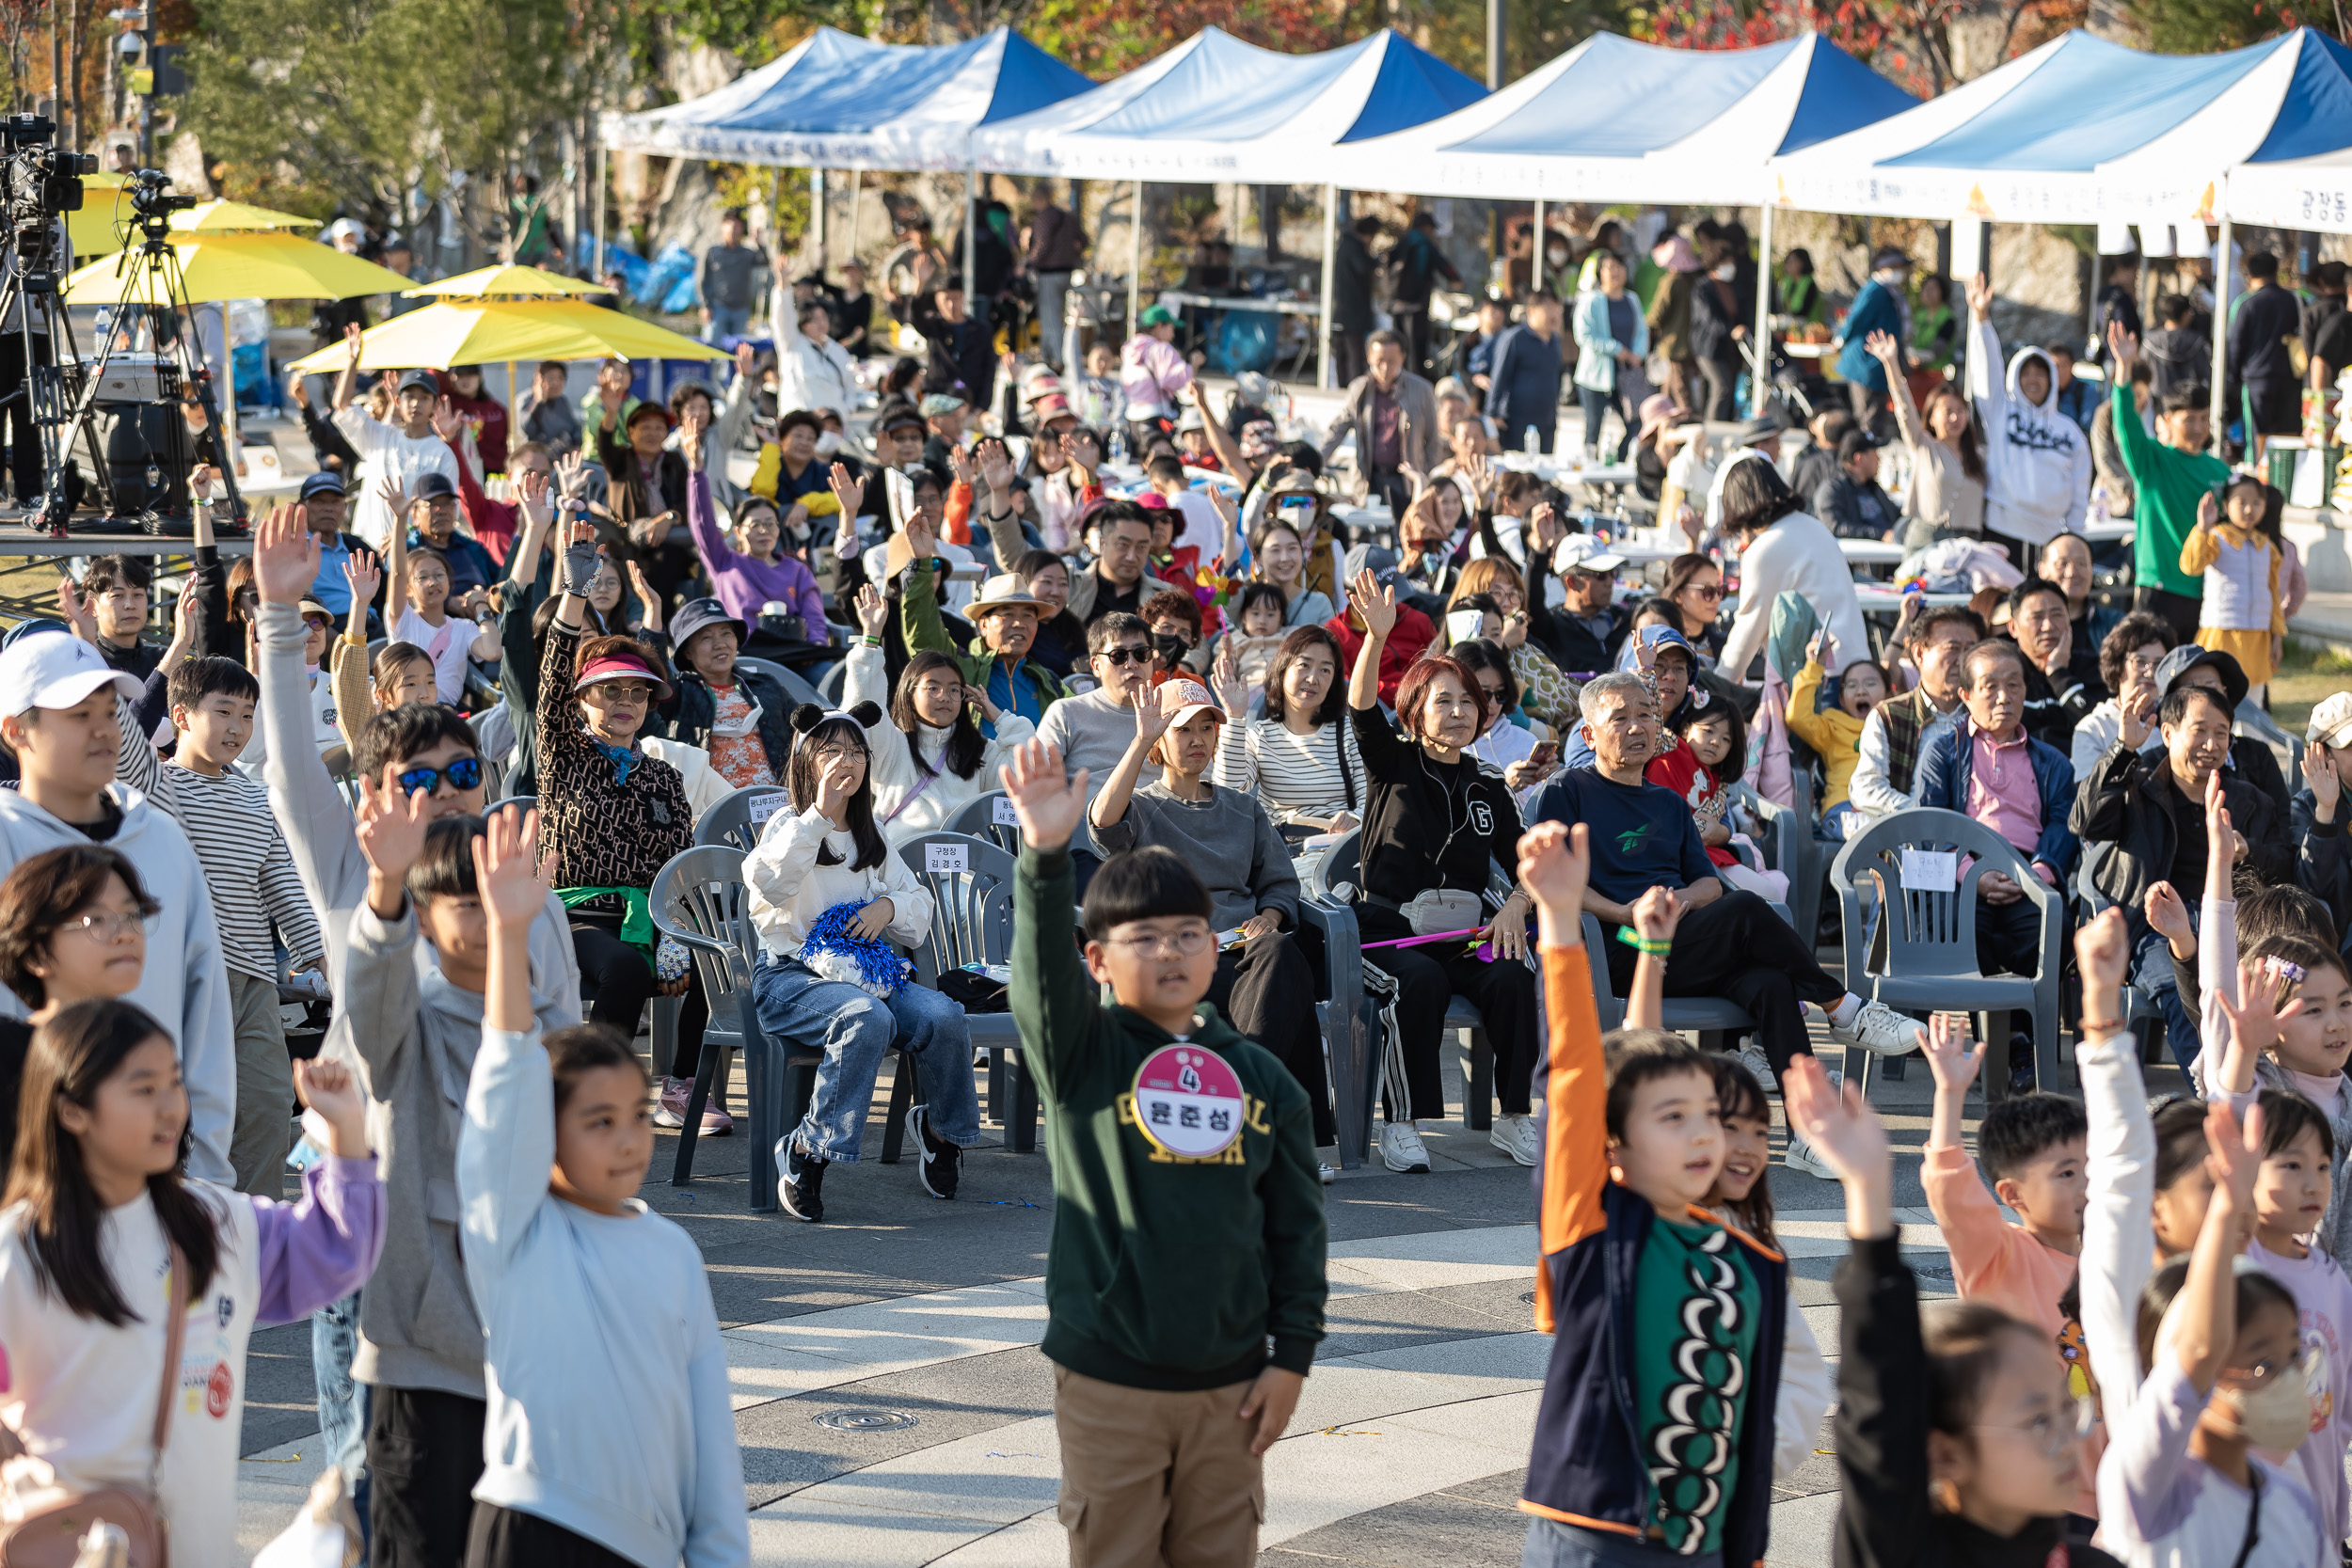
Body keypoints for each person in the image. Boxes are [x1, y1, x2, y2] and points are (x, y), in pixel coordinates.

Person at [994, 738, 1323, 1566]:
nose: (1172, 950)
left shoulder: (1263, 1082)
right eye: (1146, 937)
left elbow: (1296, 1229)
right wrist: (1042, 859)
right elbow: (1038, 984)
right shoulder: (1085, 1057)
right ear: (1099, 959)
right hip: (1111, 1381)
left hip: (1234, 1385)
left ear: (1218, 948)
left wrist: (1293, 1358)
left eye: (1189, 933)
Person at [457, 809, 750, 1567]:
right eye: (597, 1120)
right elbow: (501, 1086)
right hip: (529, 1526)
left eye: (635, 1115)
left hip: (648, 1546)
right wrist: (512, 934)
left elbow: (709, 1434)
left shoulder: (672, 1250)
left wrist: (719, 1552)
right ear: (542, 1131)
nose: (627, 1139)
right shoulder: (514, 1226)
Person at [0, 1001, 384, 1565]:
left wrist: (348, 1132)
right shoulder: (20, 1247)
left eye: (174, 1085)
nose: (170, 1109)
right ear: (72, 1111)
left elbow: (334, 1253)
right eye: (142, 1089)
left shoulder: (216, 1221)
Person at [1513, 820, 1788, 1566]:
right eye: (1674, 1120)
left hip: (1704, 1545)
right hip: (1598, 1534)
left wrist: (1748, 1549)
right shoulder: (1597, 1231)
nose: (1704, 1135)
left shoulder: (1750, 1258)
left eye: (1709, 1115)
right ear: (1612, 1149)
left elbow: (1749, 1432)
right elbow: (1580, 1075)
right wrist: (1561, 920)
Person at [1529, 671, 1921, 1132]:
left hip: (1683, 942)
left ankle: (1809, 1131)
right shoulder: (1566, 791)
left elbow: (1708, 884)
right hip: (1617, 945)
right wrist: (1628, 913)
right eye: (1620, 718)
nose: (1637, 727)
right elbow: (1556, 884)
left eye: (1645, 716)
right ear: (1589, 733)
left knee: (1772, 983)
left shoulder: (1669, 804)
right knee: (1750, 907)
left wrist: (1680, 903)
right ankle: (1840, 1006)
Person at [1780, 1055, 2126, 1568]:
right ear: (1945, 1453)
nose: (2061, 1435)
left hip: (2111, 1500)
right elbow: (1880, 1410)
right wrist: (1871, 1184)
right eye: (2035, 1418)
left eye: (2060, 1411)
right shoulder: (2003, 1257)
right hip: (2073, 1504)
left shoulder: (2113, 1262)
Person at [0, 630, 236, 1183]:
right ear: (15, 731)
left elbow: (205, 1013)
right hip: (29, 1176)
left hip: (158, 1171)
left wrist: (204, 1176)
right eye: (79, 715)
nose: (105, 729)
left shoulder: (164, 840)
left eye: (110, 709)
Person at [746, 707, 981, 1221]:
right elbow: (771, 885)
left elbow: (918, 910)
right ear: (808, 761)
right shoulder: (788, 825)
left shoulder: (872, 835)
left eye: (856, 751)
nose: (845, 761)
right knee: (865, 1017)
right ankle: (807, 1149)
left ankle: (940, 1131)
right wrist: (819, 813)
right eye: (831, 750)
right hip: (791, 978)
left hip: (865, 973)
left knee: (945, 1015)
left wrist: (888, 908)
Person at [103, 654, 326, 1196]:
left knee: (269, 1104)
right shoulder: (158, 788)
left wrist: (320, 956)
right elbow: (126, 742)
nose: (238, 728)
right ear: (181, 717)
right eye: (224, 711)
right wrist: (168, 644)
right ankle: (186, 1228)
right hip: (182, 977)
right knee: (189, 1115)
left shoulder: (255, 795)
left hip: (253, 980)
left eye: (248, 715)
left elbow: (282, 884)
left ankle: (253, 1229)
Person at [1089, 677, 1335, 1160]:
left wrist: (1269, 915)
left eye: (1208, 727)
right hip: (1174, 957)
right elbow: (1102, 825)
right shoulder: (1142, 807)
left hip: (1245, 953)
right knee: (1289, 988)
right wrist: (1139, 741)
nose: (1199, 739)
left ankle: (1238, 1099)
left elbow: (1281, 884)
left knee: (1284, 955)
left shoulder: (1243, 808)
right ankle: (1269, 1123)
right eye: (1183, 730)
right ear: (1160, 739)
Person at [1342, 573, 1539, 1171]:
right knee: (1418, 982)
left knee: (1509, 977)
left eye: (1468, 703)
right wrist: (1375, 638)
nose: (1458, 712)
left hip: (1465, 937)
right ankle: (1401, 1123)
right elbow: (1359, 712)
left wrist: (1515, 905)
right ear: (1416, 712)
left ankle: (1513, 1116)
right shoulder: (1394, 762)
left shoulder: (1487, 786)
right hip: (1387, 931)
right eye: (1443, 701)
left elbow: (1531, 863)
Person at [535, 529, 713, 1134]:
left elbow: (681, 861)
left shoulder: (663, 775)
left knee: (718, 962)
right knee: (627, 972)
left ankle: (683, 1087)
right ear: (584, 701)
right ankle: (592, 1094)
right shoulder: (564, 753)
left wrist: (679, 926)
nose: (625, 703)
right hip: (573, 914)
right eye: (610, 691)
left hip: (650, 917)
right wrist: (573, 593)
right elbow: (551, 686)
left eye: (636, 693)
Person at [2073, 680, 2292, 1072]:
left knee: (2270, 986)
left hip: (2234, 925)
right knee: (2181, 990)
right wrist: (2123, 749)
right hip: (2154, 928)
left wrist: (2246, 852)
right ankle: (2215, 1097)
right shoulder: (2137, 786)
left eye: (2221, 733)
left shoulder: (2250, 800)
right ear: (2169, 733)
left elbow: (2283, 864)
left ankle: (2272, 1094)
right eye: (2200, 731)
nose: (2211, 744)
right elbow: (2086, 821)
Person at [1913, 641, 2080, 1085]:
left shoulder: (2052, 763)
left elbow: (2063, 825)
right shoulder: (1943, 753)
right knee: (1966, 935)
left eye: (2013, 685)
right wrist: (1975, 875)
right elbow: (1929, 827)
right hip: (1964, 876)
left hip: (2030, 873)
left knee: (2053, 929)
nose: (2004, 697)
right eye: (1990, 687)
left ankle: (2017, 1040)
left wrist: (2036, 876)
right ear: (1965, 695)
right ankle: (2014, 1046)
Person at [846, 587, 1035, 844]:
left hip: (972, 873)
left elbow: (1025, 774)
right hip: (904, 872)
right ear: (910, 694)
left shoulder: (979, 751)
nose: (944, 696)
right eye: (932, 688)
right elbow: (862, 711)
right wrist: (870, 639)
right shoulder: (892, 745)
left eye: (954, 689)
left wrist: (1001, 718)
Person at [2107, 320, 2229, 643]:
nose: (2198, 427)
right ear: (2167, 421)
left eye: (2204, 419)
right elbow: (2126, 424)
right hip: (2159, 586)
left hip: (2205, 590)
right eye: (2189, 419)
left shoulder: (2221, 471)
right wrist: (2124, 367)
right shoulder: (2152, 460)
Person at [1963, 275, 2090, 561]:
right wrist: (1981, 318)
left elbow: (2081, 488)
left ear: (2052, 379)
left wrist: (2075, 537)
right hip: (2001, 529)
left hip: (2052, 540)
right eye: (2026, 373)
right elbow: (1986, 370)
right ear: (2014, 377)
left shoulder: (2069, 431)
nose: (2033, 380)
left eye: (2040, 373)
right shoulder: (2000, 412)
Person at [1711, 459, 1868, 687]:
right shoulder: (1814, 526)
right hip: (1856, 664)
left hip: (1817, 677)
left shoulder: (1766, 548)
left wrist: (1714, 688)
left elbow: (1747, 630)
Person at [679, 421, 831, 650]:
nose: (763, 530)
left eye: (770, 524)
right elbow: (703, 524)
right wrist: (697, 471)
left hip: (793, 656)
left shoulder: (798, 571)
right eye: (755, 524)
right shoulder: (725, 563)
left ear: (778, 530)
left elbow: (815, 620)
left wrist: (817, 649)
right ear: (738, 532)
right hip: (743, 658)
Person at [1211, 626, 1363, 837]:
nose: (1312, 679)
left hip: (1338, 852)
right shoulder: (1259, 737)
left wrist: (1355, 820)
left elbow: (1373, 798)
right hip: (1281, 853)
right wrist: (1234, 718)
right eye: (1304, 665)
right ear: (1282, 668)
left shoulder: (1349, 733)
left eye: (1325, 670)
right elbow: (1229, 793)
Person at [1850, 604, 1986, 821]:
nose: (1962, 660)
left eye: (1970, 649)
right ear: (1919, 653)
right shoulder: (1888, 716)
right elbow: (1866, 788)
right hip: (1904, 840)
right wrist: (1921, 814)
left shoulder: (1985, 718)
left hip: (1973, 843)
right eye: (1952, 648)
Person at [1866, 326, 1988, 551]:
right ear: (1931, 418)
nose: (1955, 417)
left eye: (1960, 411)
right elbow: (1904, 408)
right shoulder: (1924, 446)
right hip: (1927, 537)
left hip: (1967, 543)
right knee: (1914, 587)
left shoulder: (1980, 456)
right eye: (1947, 411)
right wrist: (1890, 363)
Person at [382, 483, 498, 707]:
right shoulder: (402, 619)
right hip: (410, 715)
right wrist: (400, 519)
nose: (433, 582)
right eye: (422, 577)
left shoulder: (464, 628)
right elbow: (397, 573)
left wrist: (481, 608)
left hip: (446, 716)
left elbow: (492, 651)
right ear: (408, 589)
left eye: (439, 575)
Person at [661, 596, 792, 790]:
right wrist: (653, 610)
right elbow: (654, 671)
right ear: (688, 652)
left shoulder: (765, 684)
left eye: (726, 634)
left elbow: (808, 728)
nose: (720, 644)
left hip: (777, 801)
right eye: (706, 637)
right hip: (715, 809)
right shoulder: (679, 692)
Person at [337, 357, 462, 550]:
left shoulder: (442, 454)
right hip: (367, 547)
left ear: (435, 404)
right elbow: (342, 404)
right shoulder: (380, 436)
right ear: (397, 400)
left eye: (424, 398)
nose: (415, 403)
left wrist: (406, 533)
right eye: (409, 396)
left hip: (413, 553)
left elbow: (448, 509)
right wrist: (353, 360)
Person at [1316, 331, 1439, 520]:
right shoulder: (1360, 389)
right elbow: (1338, 428)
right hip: (1370, 477)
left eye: (1392, 361)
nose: (1384, 368)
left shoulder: (1422, 390)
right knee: (1364, 531)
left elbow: (1433, 440)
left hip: (1406, 478)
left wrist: (1425, 476)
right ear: (1369, 358)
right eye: (1379, 361)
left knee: (1406, 529)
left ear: (1403, 358)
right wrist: (1316, 462)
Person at [2181, 475, 2286, 692]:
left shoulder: (2267, 547)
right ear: (2226, 505)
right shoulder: (2216, 538)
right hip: (2221, 632)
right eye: (2242, 502)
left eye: (2257, 503)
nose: (2249, 509)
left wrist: (2277, 636)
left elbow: (2273, 595)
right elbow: (2191, 565)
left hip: (2258, 636)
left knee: (2254, 697)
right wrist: (2202, 529)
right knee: (2218, 693)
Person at [1786, 631, 1886, 837]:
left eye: (1870, 683)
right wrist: (1814, 667)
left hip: (1884, 810)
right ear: (1841, 699)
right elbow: (1797, 717)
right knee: (1872, 836)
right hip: (1844, 809)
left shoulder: (1897, 726)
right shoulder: (1833, 725)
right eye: (1851, 686)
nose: (1860, 691)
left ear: (1890, 693)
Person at [2070, 612, 2174, 781]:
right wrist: (2124, 747)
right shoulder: (2092, 730)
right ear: (2118, 666)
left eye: (2159, 664)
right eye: (2140, 662)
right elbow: (2089, 800)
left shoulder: (2176, 725)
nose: (2150, 672)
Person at [2003, 575, 2101, 752]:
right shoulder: (2001, 673)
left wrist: (2059, 675)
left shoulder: (2094, 667)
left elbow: (2102, 731)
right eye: (2037, 617)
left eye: (2057, 615)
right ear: (2013, 627)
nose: (2048, 626)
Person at [1572, 249, 1647, 463]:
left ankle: (1618, 467)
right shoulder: (1591, 300)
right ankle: (1591, 471)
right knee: (1594, 425)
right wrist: (1617, 349)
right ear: (1599, 273)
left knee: (1635, 423)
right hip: (1594, 377)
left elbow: (1643, 331)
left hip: (1625, 377)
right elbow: (1584, 335)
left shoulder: (1632, 299)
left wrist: (1637, 354)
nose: (1615, 271)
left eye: (1618, 266)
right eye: (1609, 267)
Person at [2230, 250, 2303, 464]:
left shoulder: (2247, 303)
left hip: (2257, 379)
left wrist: (2234, 378)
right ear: (2276, 271)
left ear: (2250, 274)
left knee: (2257, 433)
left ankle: (2257, 476)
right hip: (2290, 376)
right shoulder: (2293, 300)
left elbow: (2236, 345)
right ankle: (2284, 476)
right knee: (2287, 433)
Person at [1068, 498, 1184, 626]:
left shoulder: (1168, 599)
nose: (1131, 556)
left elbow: (1195, 643)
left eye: (1141, 547)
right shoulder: (1069, 589)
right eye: (1123, 545)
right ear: (1103, 543)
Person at [1836, 248, 1914, 429]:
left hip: (1875, 362)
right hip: (1866, 363)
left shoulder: (1888, 291)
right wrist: (1840, 338)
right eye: (1895, 267)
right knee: (1868, 418)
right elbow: (1856, 317)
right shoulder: (1875, 289)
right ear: (1883, 268)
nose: (1899, 271)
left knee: (1874, 414)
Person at [1486, 293, 1566, 455]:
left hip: (1546, 418)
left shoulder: (1555, 341)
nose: (1554, 314)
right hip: (1517, 419)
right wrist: (1492, 413)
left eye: (1557, 309)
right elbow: (1499, 378)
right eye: (1548, 308)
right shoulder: (1515, 338)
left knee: (1543, 471)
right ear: (1531, 311)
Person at [1387, 211, 1460, 376]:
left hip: (1397, 305)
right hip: (1416, 306)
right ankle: (1414, 386)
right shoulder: (1424, 244)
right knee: (1416, 350)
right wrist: (1456, 279)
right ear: (1426, 228)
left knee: (1400, 346)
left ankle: (1398, 379)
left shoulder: (1402, 242)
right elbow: (1442, 265)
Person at [768, 282, 856, 416]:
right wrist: (783, 286)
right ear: (804, 324)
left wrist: (848, 409)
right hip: (800, 419)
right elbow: (782, 318)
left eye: (823, 318)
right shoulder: (792, 343)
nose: (821, 323)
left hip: (832, 422)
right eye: (815, 319)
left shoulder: (838, 350)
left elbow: (850, 384)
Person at [1690, 239, 1748, 421]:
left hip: (1728, 348)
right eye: (1726, 263)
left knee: (1724, 387)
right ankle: (1713, 427)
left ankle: (1720, 422)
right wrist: (1731, 330)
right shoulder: (1703, 288)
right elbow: (1709, 320)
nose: (1731, 267)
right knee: (1721, 386)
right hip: (1708, 347)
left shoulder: (1732, 286)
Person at [76, 556, 159, 681]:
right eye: (117, 596)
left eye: (138, 594)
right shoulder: (84, 665)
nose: (130, 605)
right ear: (93, 606)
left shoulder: (161, 658)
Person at [2090, 359, 2152, 523]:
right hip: (2117, 500)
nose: (2133, 401)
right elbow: (2104, 458)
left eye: (2138, 394)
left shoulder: (2159, 410)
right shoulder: (2105, 414)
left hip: (2155, 493)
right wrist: (2129, 489)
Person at [1813, 428, 1899, 540]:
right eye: (1875, 453)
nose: (1879, 458)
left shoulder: (1873, 487)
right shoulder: (1831, 490)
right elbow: (1835, 527)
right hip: (1868, 556)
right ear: (1859, 458)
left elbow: (1896, 517)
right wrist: (1881, 535)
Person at [1328, 214, 1379, 388]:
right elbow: (1362, 267)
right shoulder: (1355, 248)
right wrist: (1375, 261)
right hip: (1353, 310)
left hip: (1340, 309)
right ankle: (1354, 389)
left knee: (1341, 354)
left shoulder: (1344, 244)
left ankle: (1343, 386)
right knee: (1354, 354)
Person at [698, 213, 765, 341]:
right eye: (731, 226)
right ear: (723, 227)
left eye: (737, 227)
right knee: (711, 345)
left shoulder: (746, 253)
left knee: (736, 348)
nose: (734, 231)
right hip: (718, 307)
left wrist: (759, 243)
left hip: (741, 309)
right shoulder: (712, 252)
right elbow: (701, 280)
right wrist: (705, 305)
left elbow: (764, 262)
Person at [517, 360, 582, 459]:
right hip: (534, 458)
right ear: (538, 379)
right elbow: (528, 428)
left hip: (560, 458)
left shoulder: (561, 401)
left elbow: (574, 427)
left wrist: (576, 444)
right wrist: (539, 402)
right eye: (551, 378)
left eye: (560, 378)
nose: (556, 383)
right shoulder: (525, 399)